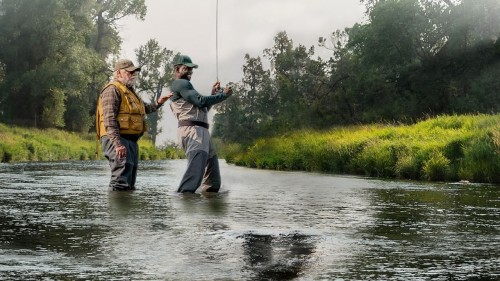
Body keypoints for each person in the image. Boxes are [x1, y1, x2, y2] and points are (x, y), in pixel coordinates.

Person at [96, 58, 172, 191]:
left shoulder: (130, 91)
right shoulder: (112, 90)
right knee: (120, 180)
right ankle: (117, 211)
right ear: (119, 73)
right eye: (129, 72)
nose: (133, 75)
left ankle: (127, 211)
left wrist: (159, 102)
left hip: (130, 141)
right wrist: (117, 144)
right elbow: (109, 119)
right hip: (117, 140)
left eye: (134, 72)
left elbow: (145, 109)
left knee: (130, 181)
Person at [170, 54, 233, 194]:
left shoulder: (186, 87)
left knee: (213, 180)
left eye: (191, 69)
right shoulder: (180, 83)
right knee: (195, 175)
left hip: (201, 131)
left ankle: (206, 209)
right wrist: (222, 95)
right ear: (177, 69)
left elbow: (202, 109)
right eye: (186, 68)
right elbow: (200, 101)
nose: (190, 71)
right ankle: (184, 201)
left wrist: (213, 93)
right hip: (192, 131)